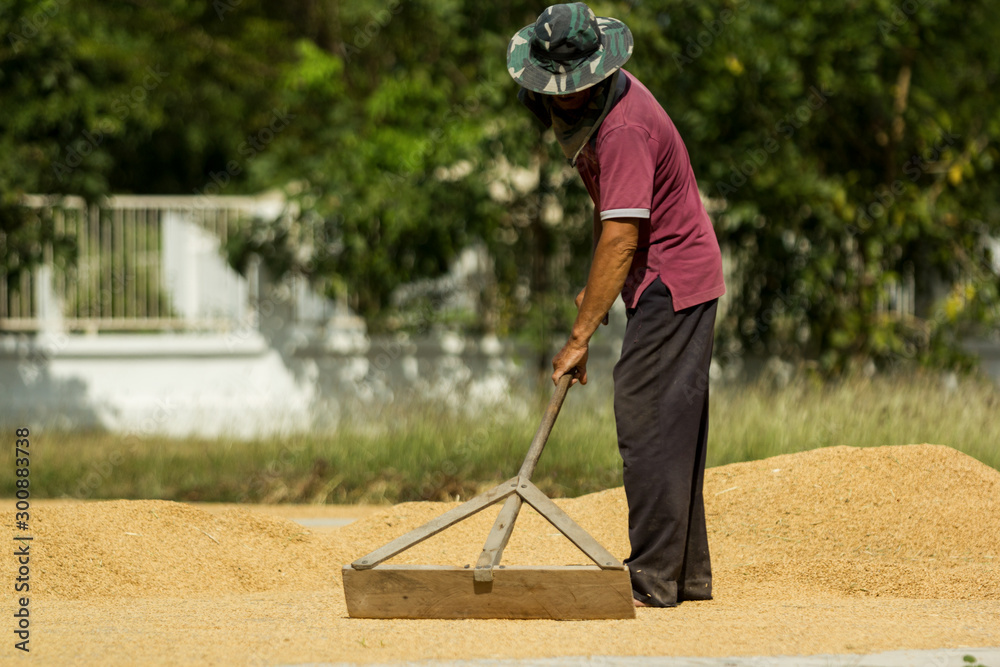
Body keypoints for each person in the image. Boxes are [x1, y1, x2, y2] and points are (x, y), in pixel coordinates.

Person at [506, 2, 726, 607]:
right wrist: (595, 295)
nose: (555, 103)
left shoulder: (623, 127)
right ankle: (685, 576)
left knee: (647, 419)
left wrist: (579, 338)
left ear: (596, 76)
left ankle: (654, 578)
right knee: (669, 427)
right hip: (664, 275)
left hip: (673, 281)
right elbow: (616, 227)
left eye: (565, 92)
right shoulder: (601, 107)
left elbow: (624, 233)